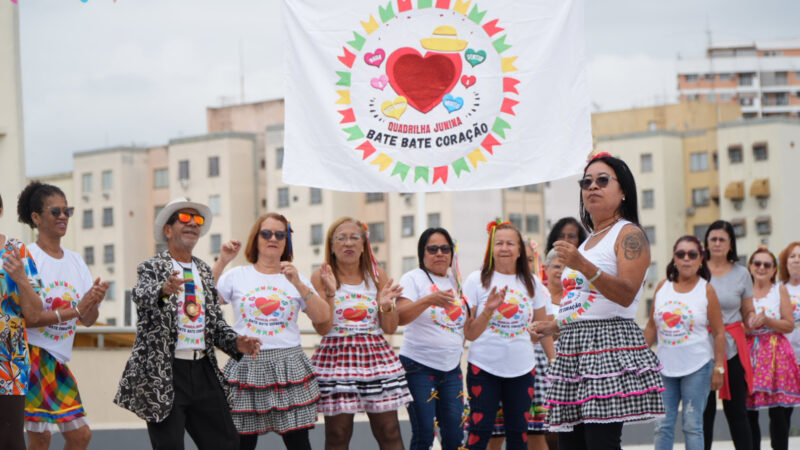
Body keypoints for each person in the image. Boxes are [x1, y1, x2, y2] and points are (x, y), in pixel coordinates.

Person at [531, 153, 664, 450]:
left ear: (623, 191)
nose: (593, 187)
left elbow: (626, 293)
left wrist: (582, 265)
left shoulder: (629, 234)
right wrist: (552, 325)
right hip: (573, 344)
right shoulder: (590, 239)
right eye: (587, 181)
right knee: (570, 442)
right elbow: (585, 302)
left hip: (605, 342)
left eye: (603, 180)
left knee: (600, 442)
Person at [114, 197, 261, 450]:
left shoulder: (203, 270)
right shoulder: (151, 266)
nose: (193, 223)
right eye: (184, 218)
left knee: (226, 443)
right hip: (164, 371)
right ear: (168, 230)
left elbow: (214, 322)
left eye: (198, 220)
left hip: (203, 368)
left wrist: (237, 342)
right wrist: (163, 289)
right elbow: (140, 294)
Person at [211, 213, 331, 450]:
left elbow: (324, 317)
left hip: (288, 363)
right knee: (241, 442)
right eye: (266, 233)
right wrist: (223, 261)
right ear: (256, 239)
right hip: (247, 363)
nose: (273, 238)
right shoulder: (237, 275)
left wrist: (297, 282)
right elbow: (204, 301)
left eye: (280, 234)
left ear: (286, 242)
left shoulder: (296, 278)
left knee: (298, 442)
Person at [17, 181, 108, 450]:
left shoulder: (76, 261)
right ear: (36, 218)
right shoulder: (26, 258)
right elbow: (31, 316)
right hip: (31, 356)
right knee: (40, 437)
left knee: (81, 436)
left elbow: (88, 320)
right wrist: (76, 309)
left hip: (57, 361)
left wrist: (93, 301)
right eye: (55, 211)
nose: (63, 217)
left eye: (67, 211)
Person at [310, 217, 412, 450]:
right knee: (338, 433)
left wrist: (387, 305)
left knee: (389, 431)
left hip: (374, 355)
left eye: (354, 237)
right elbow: (323, 328)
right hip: (336, 356)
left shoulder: (376, 275)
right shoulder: (321, 275)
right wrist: (330, 292)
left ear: (364, 244)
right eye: (341, 238)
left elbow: (389, 327)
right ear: (332, 245)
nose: (348, 243)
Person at [462, 220, 554, 450]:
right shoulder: (476, 280)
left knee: (518, 433)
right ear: (491, 248)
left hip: (522, 369)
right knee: (480, 431)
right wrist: (489, 310)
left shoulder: (532, 282)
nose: (504, 248)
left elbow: (543, 328)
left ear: (520, 250)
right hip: (483, 368)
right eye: (499, 243)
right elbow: (470, 333)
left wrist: (554, 360)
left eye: (510, 243)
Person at [644, 235, 726, 450]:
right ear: (674, 259)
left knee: (692, 425)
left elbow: (718, 332)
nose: (686, 259)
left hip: (697, 368)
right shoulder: (663, 287)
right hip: (664, 368)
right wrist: (639, 358)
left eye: (692, 254)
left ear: (701, 259)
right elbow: (652, 327)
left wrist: (719, 367)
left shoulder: (706, 289)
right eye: (681, 254)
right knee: (662, 425)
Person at [396, 227, 468, 450]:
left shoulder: (456, 282)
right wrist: (428, 300)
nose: (439, 253)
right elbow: (400, 316)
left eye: (445, 249)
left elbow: (463, 325)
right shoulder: (412, 278)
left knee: (455, 435)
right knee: (425, 433)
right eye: (433, 249)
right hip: (418, 367)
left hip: (451, 369)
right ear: (422, 253)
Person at [487, 240, 556, 450]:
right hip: (498, 363)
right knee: (495, 433)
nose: (524, 263)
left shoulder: (538, 289)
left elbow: (547, 329)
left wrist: (553, 361)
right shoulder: (491, 284)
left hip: (534, 365)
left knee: (535, 432)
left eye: (528, 259)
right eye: (521, 258)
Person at [701, 220, 756, 450]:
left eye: (722, 239)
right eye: (713, 239)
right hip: (701, 348)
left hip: (732, 349)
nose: (717, 243)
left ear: (731, 244)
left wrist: (754, 319)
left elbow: (747, 312)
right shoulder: (697, 269)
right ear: (706, 243)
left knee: (737, 413)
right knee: (704, 414)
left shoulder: (742, 273)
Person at [0, 193, 44, 450]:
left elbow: (36, 311)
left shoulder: (19, 252)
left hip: (10, 362)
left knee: (10, 440)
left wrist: (22, 280)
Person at [745, 247, 800, 450]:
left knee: (778, 414)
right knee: (748, 413)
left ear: (774, 269)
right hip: (749, 354)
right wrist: (749, 326)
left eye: (767, 264)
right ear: (750, 266)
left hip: (777, 354)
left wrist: (767, 320)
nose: (761, 268)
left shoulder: (779, 290)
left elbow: (788, 325)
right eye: (757, 263)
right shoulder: (744, 291)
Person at [779, 242, 800, 365]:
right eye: (792, 256)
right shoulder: (777, 289)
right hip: (784, 357)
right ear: (785, 262)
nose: (797, 260)